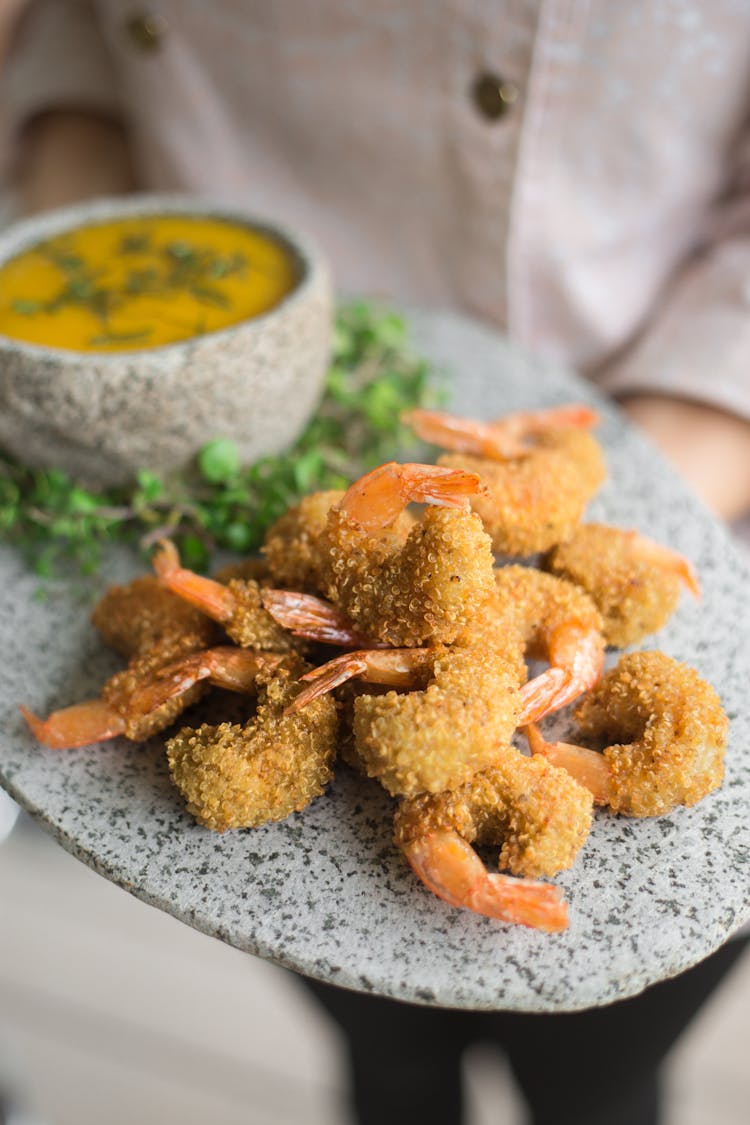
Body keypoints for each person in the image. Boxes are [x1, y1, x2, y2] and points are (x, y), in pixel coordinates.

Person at [1, 4, 748, 1123]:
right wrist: (102, 244)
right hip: (260, 381)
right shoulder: (361, 583)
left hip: (673, 430)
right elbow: (77, 41)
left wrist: (648, 460)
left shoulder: (498, 592)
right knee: (376, 1045)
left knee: (599, 1074)